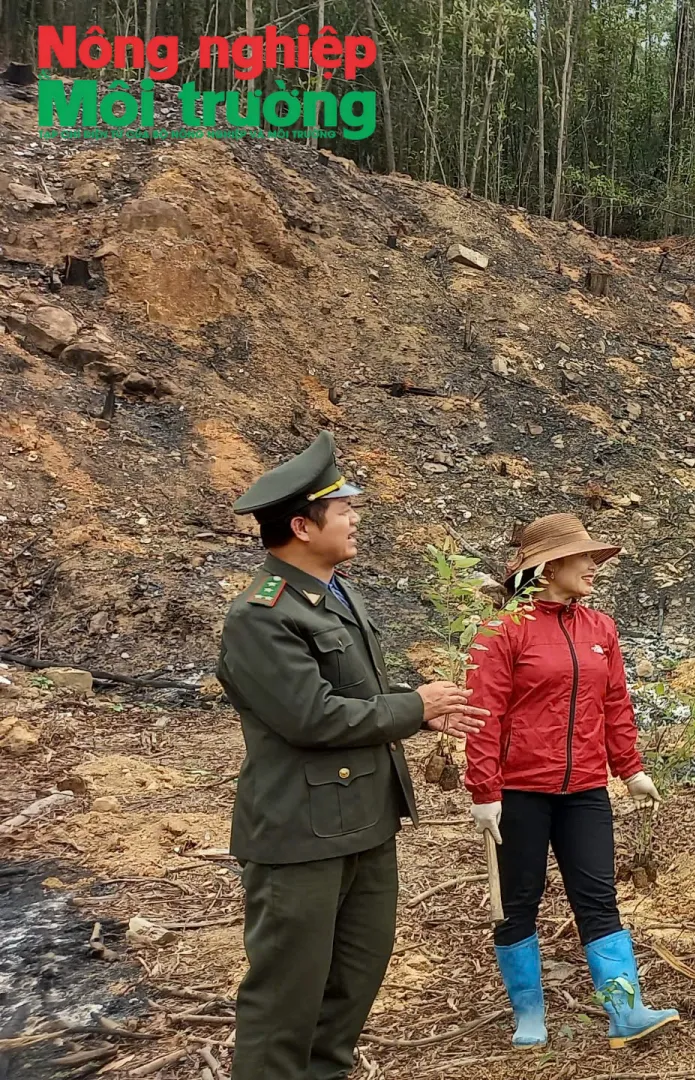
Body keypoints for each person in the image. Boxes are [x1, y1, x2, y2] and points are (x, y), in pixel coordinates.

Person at [216, 431, 488, 1080]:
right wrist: (412, 707)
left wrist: (417, 711)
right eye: (343, 510)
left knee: (350, 989)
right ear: (303, 526)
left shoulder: (335, 594)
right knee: (286, 1003)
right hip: (301, 837)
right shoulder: (260, 615)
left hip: (364, 822)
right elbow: (311, 717)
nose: (355, 518)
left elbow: (354, 697)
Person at [463, 513, 677, 1049]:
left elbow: (615, 705)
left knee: (598, 897)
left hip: (584, 788)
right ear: (550, 566)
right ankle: (529, 1015)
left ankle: (624, 1012)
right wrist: (485, 791)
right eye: (583, 557)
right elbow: (483, 714)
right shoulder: (501, 631)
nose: (593, 566)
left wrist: (630, 768)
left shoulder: (600, 628)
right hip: (519, 791)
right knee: (519, 899)